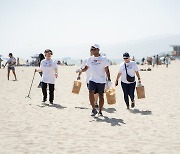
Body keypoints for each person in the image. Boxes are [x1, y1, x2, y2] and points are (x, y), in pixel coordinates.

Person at [76, 44, 111, 116]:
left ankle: (100, 111)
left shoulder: (103, 59)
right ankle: (93, 109)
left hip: (101, 80)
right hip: (92, 79)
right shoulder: (90, 59)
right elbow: (86, 68)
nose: (92, 51)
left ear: (98, 50)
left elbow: (107, 70)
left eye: (94, 49)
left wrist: (109, 80)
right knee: (90, 92)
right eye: (91, 49)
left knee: (101, 96)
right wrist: (80, 70)